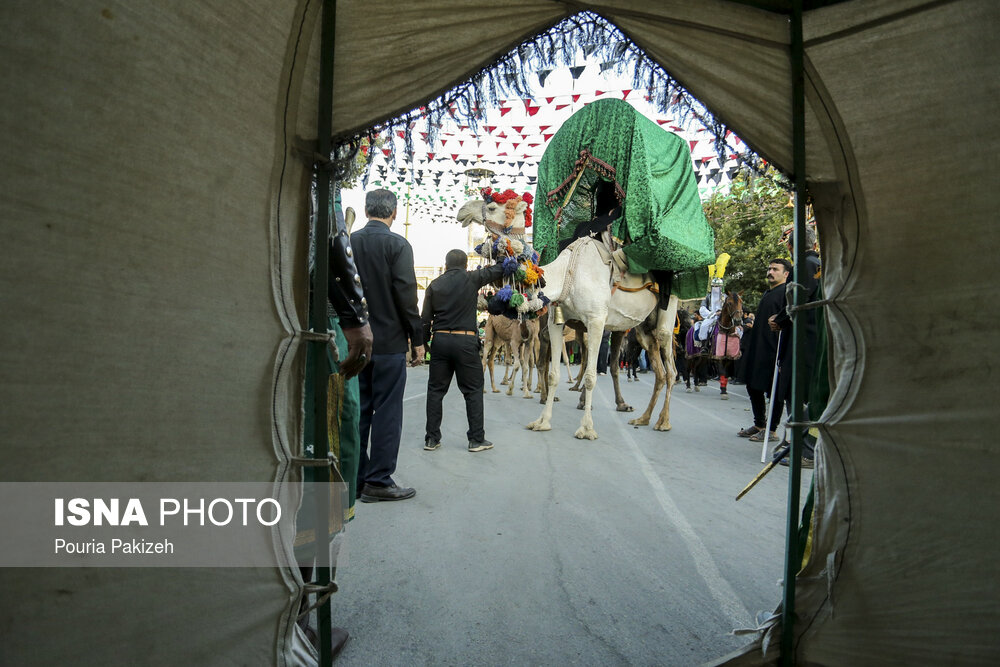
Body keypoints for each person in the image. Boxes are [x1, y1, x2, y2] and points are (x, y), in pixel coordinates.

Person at [350, 188, 424, 502]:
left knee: (358, 410)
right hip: (390, 344)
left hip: (354, 341)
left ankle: (355, 477)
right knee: (387, 412)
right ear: (393, 213)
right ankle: (378, 481)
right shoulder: (398, 245)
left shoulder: (348, 242)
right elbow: (407, 296)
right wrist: (417, 340)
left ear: (367, 211)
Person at [421, 249, 505, 452]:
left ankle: (432, 439)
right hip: (465, 342)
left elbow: (424, 321)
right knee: (473, 391)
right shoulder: (471, 278)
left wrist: (425, 345)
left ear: (446, 264)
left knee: (435, 391)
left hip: (440, 340)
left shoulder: (434, 285)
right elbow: (498, 270)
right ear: (466, 265)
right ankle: (476, 439)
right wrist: (502, 253)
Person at [770, 225, 822, 468]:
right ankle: (798, 444)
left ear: (792, 246)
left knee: (800, 392)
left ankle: (806, 450)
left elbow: (797, 300)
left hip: (805, 340)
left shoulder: (807, 265)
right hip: (807, 338)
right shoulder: (816, 263)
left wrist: (778, 320)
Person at [737, 258, 791, 443]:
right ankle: (759, 424)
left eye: (775, 269)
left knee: (774, 390)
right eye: (769, 268)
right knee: (753, 385)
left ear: (786, 274)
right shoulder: (769, 293)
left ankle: (771, 430)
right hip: (758, 349)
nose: (770, 271)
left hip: (774, 350)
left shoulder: (786, 293)